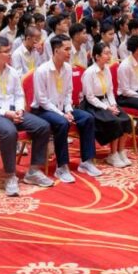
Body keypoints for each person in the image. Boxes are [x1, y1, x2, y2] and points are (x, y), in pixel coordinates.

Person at [0, 36, 54, 196]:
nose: (10, 54)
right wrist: (5, 113)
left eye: (9, 50)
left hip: (13, 112)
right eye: (6, 51)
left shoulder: (13, 72)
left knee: (43, 126)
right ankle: (10, 176)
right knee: (9, 132)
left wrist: (20, 109)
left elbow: (19, 95)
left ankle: (34, 171)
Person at [31, 33, 102, 180]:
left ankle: (86, 161)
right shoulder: (42, 70)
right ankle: (62, 166)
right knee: (62, 123)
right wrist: (62, 114)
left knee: (87, 118)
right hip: (42, 110)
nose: (70, 52)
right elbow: (42, 100)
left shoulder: (68, 68)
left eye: (70, 49)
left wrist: (68, 109)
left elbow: (68, 92)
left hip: (62, 108)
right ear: (56, 51)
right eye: (67, 49)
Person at [80, 41, 133, 168]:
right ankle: (113, 154)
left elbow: (109, 91)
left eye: (110, 53)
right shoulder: (89, 72)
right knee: (115, 121)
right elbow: (90, 97)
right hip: (92, 105)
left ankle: (121, 151)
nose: (109, 56)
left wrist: (113, 105)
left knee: (126, 119)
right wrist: (107, 108)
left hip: (107, 102)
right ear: (97, 56)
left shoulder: (107, 69)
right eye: (106, 53)